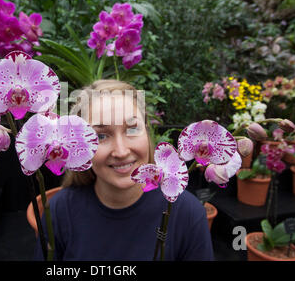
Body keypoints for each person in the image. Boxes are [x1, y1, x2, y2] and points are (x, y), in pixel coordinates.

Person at [33, 79, 214, 261]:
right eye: (101, 135)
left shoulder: (188, 214)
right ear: (78, 147)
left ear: (147, 132)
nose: (121, 151)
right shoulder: (60, 211)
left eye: (132, 129)